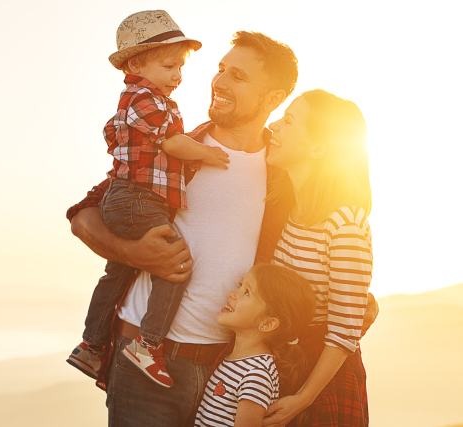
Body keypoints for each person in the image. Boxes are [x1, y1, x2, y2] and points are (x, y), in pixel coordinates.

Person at [67, 30, 302, 426]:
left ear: (274, 99)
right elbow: (82, 216)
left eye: (238, 77)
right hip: (142, 363)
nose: (219, 82)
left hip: (230, 371)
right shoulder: (173, 149)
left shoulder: (283, 177)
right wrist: (132, 253)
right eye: (221, 69)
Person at [67, 10, 231, 389]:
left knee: (118, 271)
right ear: (136, 63)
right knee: (175, 266)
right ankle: (148, 344)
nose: (177, 76)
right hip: (139, 199)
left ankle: (91, 345)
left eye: (181, 68)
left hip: (129, 199)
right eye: (169, 65)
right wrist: (207, 154)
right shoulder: (145, 99)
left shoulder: (137, 98)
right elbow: (173, 142)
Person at [259, 89, 373, 427]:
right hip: (281, 367)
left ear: (318, 148)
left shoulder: (345, 224)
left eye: (288, 121)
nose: (274, 126)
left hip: (322, 382)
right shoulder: (285, 207)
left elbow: (344, 330)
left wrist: (303, 399)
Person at [195, 263, 315, 427]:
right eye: (240, 286)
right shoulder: (236, 361)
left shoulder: (256, 374)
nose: (232, 294)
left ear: (268, 323)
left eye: (246, 292)